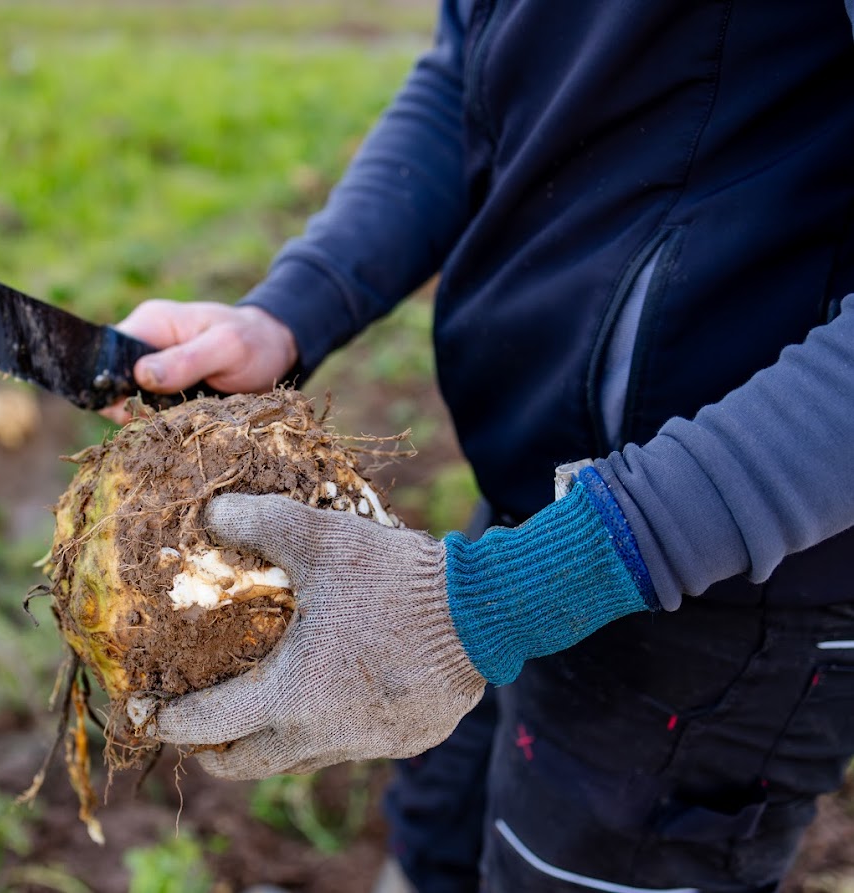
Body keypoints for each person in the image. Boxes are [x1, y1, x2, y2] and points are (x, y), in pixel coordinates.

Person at [104, 2, 854, 891]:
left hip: (745, 580)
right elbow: (471, 72)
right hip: (534, 504)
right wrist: (293, 307)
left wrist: (511, 597)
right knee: (435, 830)